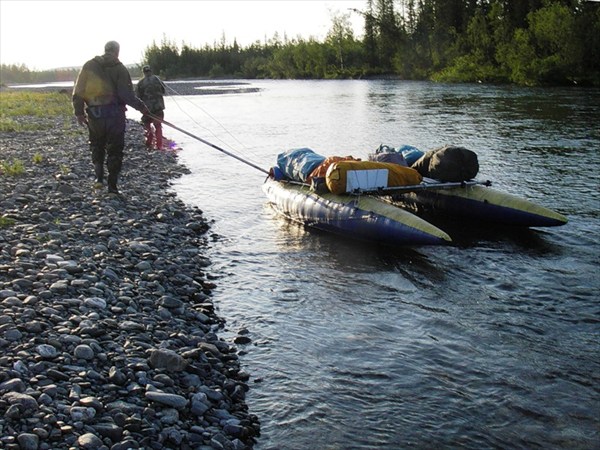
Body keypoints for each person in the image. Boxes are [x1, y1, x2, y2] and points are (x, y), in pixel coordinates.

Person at [72, 40, 149, 195]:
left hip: (95, 116)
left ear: (105, 50)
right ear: (117, 51)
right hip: (115, 116)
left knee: (97, 145)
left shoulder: (88, 65)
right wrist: (142, 108)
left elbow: (78, 92)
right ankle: (112, 187)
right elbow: (126, 95)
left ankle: (99, 180)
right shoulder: (120, 69)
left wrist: (79, 112)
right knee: (115, 149)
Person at [136, 65, 166, 150]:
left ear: (143, 72)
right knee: (158, 126)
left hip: (147, 108)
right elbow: (163, 91)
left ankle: (149, 142)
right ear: (150, 71)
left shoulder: (140, 83)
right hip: (158, 107)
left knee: (147, 124)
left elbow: (137, 97)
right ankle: (159, 145)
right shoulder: (157, 79)